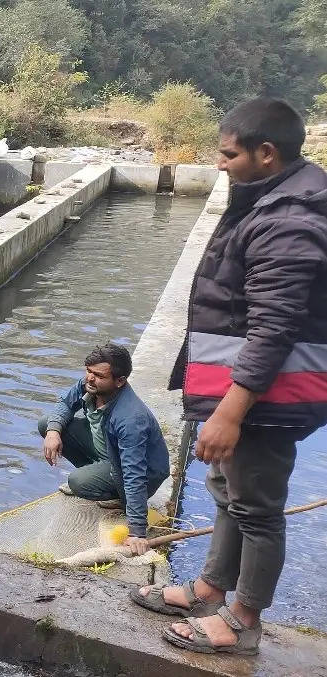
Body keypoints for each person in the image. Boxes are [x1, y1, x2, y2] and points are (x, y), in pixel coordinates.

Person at [132, 98, 327, 655]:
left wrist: (227, 413)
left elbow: (274, 329)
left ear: (267, 154)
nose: (219, 164)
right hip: (247, 391)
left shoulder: (290, 220)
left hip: (266, 397)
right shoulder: (274, 197)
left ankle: (243, 622)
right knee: (227, 490)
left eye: (228, 153)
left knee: (257, 507)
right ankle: (210, 588)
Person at [38, 342, 169, 549]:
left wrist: (137, 530)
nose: (90, 378)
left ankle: (115, 494)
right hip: (109, 451)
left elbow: (134, 473)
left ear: (120, 381)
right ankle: (99, 475)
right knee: (48, 423)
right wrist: (53, 431)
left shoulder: (130, 419)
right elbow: (64, 404)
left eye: (99, 376)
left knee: (77, 482)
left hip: (141, 473)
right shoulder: (90, 385)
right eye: (88, 371)